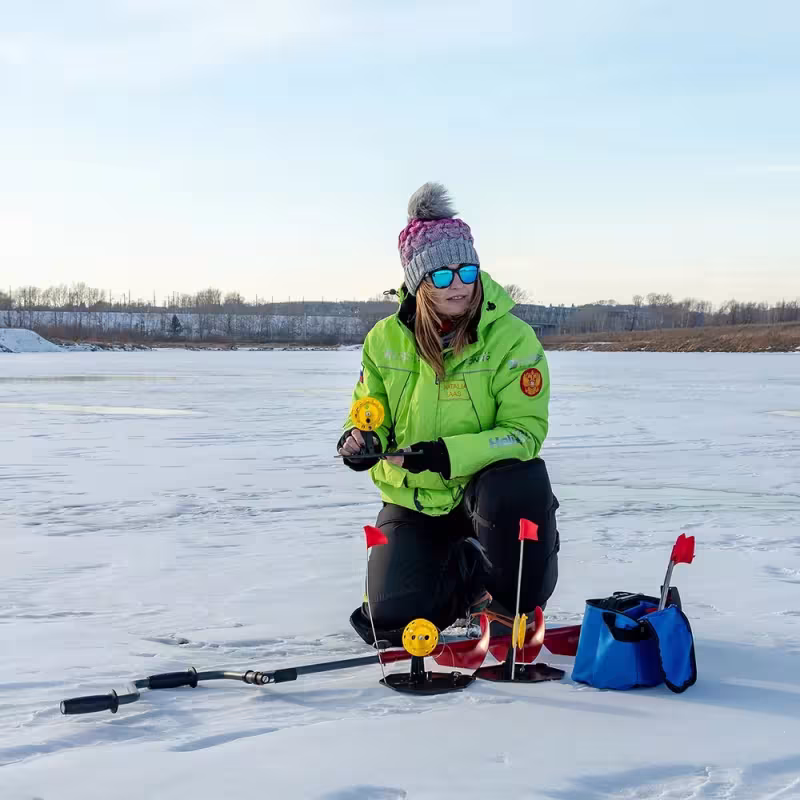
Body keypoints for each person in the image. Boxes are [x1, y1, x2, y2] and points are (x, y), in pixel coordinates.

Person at [337, 182, 560, 646]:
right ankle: (461, 577)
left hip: (487, 499)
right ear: (418, 282)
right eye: (440, 276)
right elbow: (367, 412)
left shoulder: (512, 339)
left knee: (517, 482)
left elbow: (524, 433)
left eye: (466, 270)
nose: (457, 283)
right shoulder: (384, 339)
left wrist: (445, 455)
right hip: (416, 501)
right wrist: (360, 441)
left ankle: (508, 598)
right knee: (391, 620)